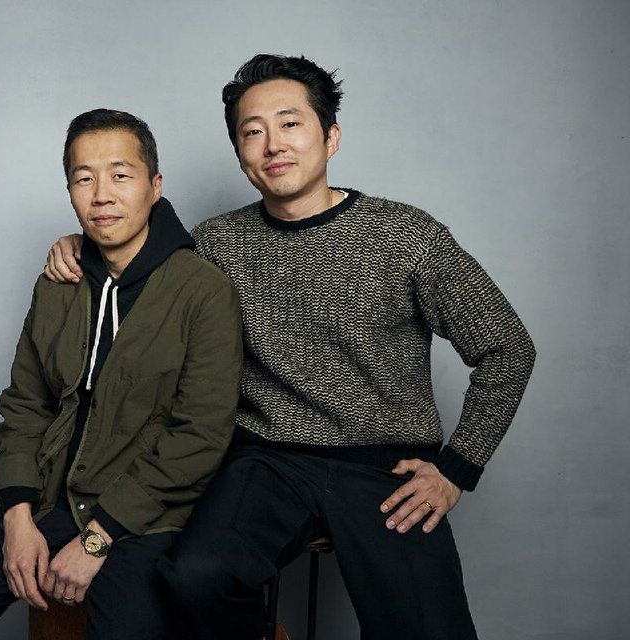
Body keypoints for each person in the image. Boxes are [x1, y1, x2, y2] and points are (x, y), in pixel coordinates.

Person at [44, 55, 536, 640]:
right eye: (252, 132)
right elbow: (134, 243)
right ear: (240, 155)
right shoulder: (216, 242)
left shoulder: (406, 235)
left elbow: (507, 346)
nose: (272, 144)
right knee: (195, 577)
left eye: (290, 124)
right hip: (264, 460)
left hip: (386, 468)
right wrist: (82, 243)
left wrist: (456, 469)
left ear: (330, 137)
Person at [0, 109, 242, 640]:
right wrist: (17, 515)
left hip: (149, 515)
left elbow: (199, 434)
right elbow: (26, 404)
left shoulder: (202, 290)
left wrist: (99, 539)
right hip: (55, 498)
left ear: (155, 186)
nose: (101, 194)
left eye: (121, 175)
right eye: (83, 178)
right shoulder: (59, 280)